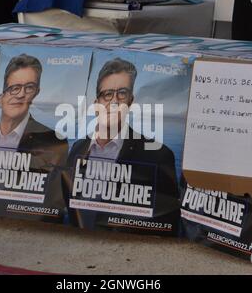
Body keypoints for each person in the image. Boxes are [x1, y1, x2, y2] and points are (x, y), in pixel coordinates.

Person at [63, 58, 181, 235]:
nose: (114, 101)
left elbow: (167, 225)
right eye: (107, 94)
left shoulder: (158, 155)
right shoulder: (78, 149)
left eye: (122, 93)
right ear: (96, 104)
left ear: (130, 102)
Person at [0, 54, 69, 220]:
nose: (20, 95)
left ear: (36, 93)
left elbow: (53, 207)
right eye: (14, 88)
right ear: (1, 97)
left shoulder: (53, 142)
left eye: (29, 88)